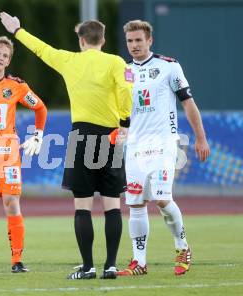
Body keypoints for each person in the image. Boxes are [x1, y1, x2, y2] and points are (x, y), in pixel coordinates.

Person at [0, 13, 133, 279]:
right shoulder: (117, 62)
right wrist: (124, 120)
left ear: (82, 40)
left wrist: (18, 31)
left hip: (82, 135)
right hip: (112, 135)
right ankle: (109, 266)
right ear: (103, 40)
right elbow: (127, 89)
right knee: (113, 206)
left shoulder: (70, 60)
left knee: (82, 206)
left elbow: (42, 50)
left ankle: (88, 267)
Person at [117, 20, 210, 277]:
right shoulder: (123, 71)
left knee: (161, 199)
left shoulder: (169, 67)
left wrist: (200, 138)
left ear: (149, 41)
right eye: (130, 41)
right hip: (135, 146)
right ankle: (139, 262)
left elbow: (188, 104)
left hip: (163, 143)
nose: (134, 45)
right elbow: (122, 111)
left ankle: (182, 247)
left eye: (138, 40)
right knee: (135, 204)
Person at [0, 36, 47, 273]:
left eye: (5, 55)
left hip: (7, 151)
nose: (1, 58)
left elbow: (40, 107)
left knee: (11, 202)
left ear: (8, 60)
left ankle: (17, 260)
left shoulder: (16, 86)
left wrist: (37, 135)